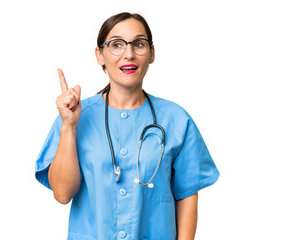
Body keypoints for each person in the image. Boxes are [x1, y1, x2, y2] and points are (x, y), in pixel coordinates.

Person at [35, 12, 220, 240]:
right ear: (100, 55)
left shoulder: (177, 120)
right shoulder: (73, 116)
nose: (129, 54)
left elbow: (186, 196)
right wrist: (69, 128)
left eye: (139, 44)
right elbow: (62, 194)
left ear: (151, 53)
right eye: (117, 45)